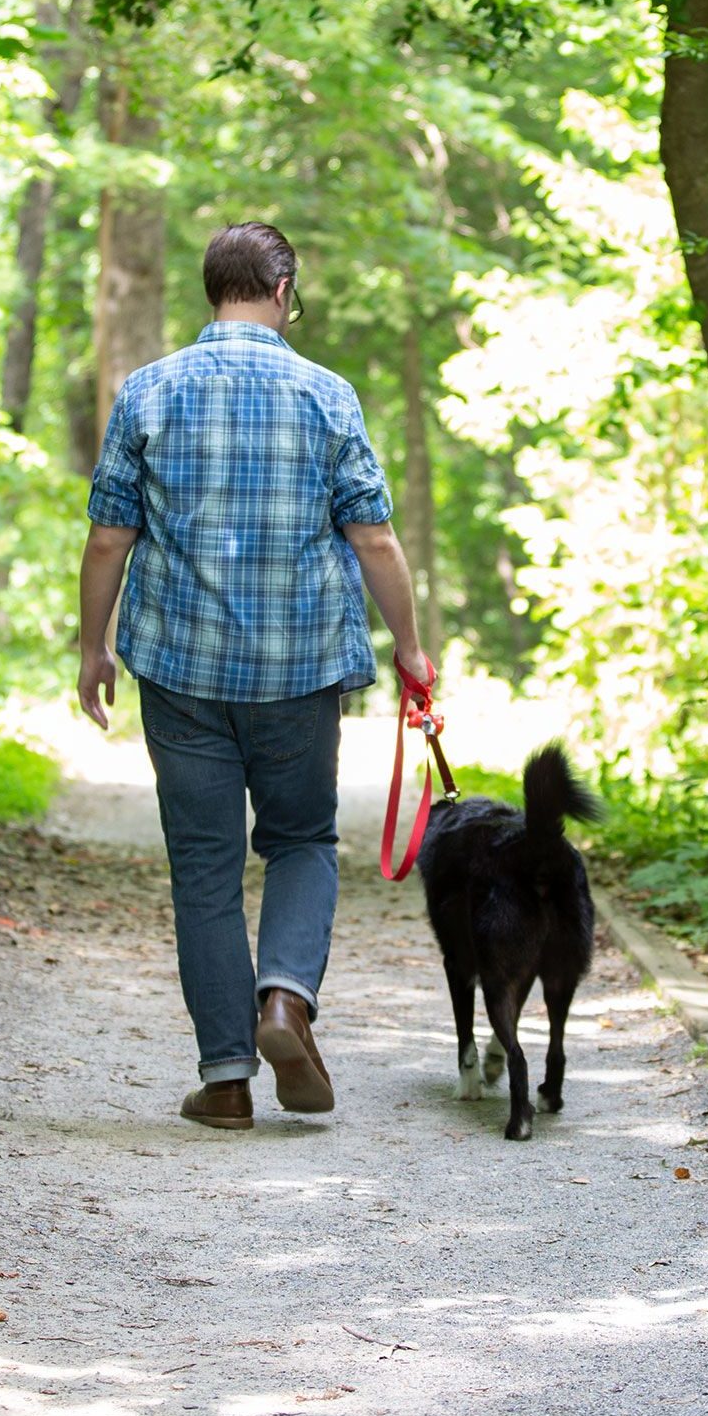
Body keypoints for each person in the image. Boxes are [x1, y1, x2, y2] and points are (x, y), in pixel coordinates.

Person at [76, 221, 431, 1131]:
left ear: (214, 289)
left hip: (180, 667)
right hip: (300, 666)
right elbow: (374, 536)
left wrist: (93, 646)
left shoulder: (147, 392)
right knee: (302, 840)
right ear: (281, 288)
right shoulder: (326, 394)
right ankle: (284, 999)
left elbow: (110, 535)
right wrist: (410, 646)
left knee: (202, 865)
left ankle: (227, 1078)